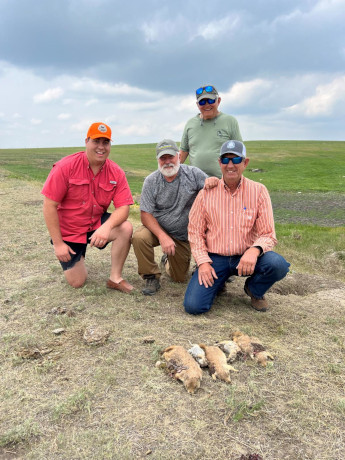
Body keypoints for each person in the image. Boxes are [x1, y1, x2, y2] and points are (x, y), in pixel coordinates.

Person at [183, 140, 290, 314]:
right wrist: (202, 263)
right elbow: (195, 232)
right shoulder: (206, 193)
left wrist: (254, 250)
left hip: (247, 256)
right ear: (219, 163)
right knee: (194, 307)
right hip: (216, 257)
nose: (230, 165)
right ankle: (218, 282)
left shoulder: (259, 191)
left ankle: (254, 291)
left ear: (245, 162)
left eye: (236, 160)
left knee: (277, 264)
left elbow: (268, 233)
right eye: (225, 160)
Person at [42, 122, 134, 293]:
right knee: (77, 282)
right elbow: (49, 205)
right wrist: (58, 243)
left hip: (95, 225)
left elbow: (123, 208)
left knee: (125, 227)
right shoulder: (65, 167)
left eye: (105, 142)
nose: (101, 147)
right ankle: (78, 255)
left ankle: (115, 278)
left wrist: (106, 228)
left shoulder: (116, 172)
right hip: (70, 230)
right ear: (86, 141)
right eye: (96, 141)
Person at [132, 139, 217, 296]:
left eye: (171, 157)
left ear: (178, 156)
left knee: (179, 278)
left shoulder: (193, 174)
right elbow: (145, 214)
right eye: (163, 158)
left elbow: (214, 190)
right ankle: (151, 276)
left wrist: (213, 181)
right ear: (158, 160)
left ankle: (166, 261)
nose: (167, 162)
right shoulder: (151, 181)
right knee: (139, 237)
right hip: (158, 229)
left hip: (182, 235)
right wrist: (163, 236)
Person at [179, 84, 242, 178]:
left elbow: (239, 152)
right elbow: (182, 153)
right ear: (197, 105)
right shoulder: (190, 123)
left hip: (222, 182)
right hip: (196, 183)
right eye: (202, 102)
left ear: (219, 101)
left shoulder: (230, 121)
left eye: (211, 100)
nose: (207, 105)